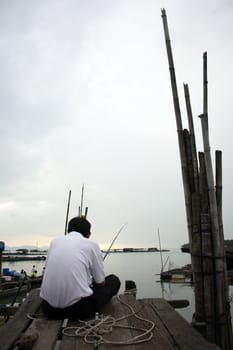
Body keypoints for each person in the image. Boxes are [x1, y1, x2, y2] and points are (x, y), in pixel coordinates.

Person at [40, 216, 120, 320]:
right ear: (88, 234)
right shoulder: (92, 245)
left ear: (68, 231)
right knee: (113, 280)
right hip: (76, 311)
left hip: (48, 309)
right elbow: (101, 282)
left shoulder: (54, 242)